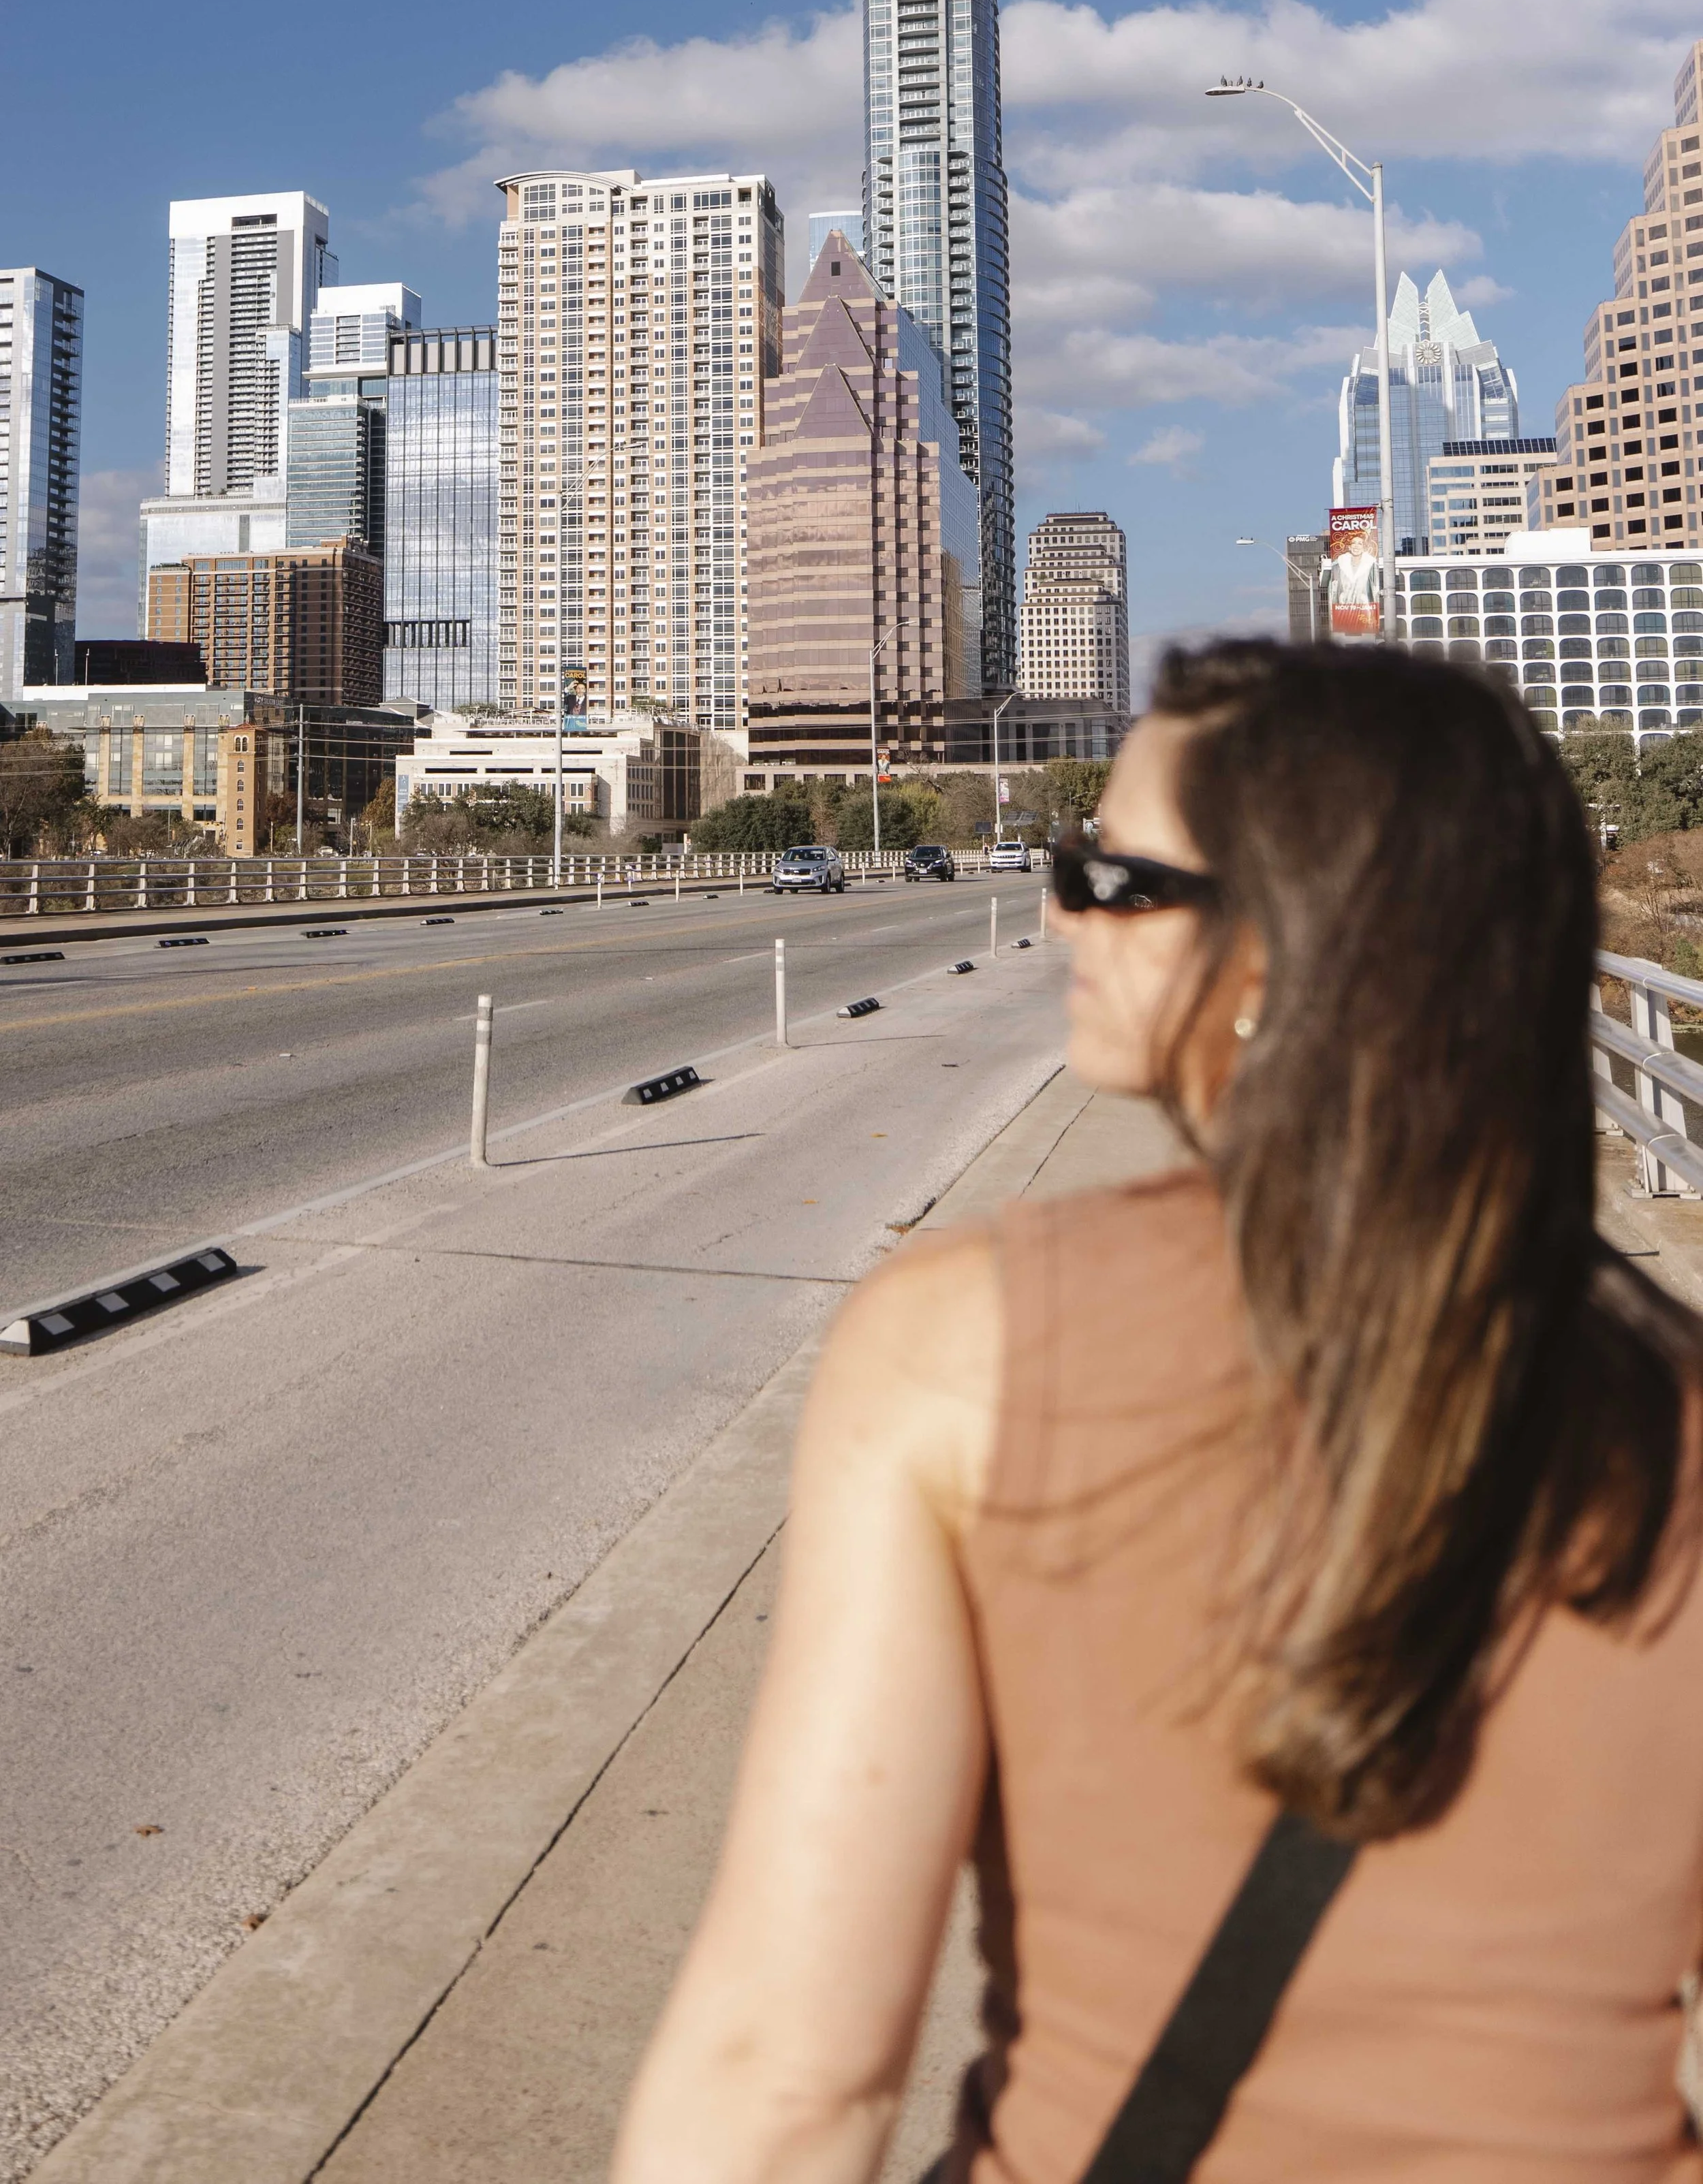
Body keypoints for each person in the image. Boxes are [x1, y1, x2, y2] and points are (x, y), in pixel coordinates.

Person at [612, 639, 1703, 2184]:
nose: (1058, 906)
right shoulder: (1670, 1413)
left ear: (1265, 963)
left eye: (1109, 874)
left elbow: (788, 2083)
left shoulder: (956, 1347)